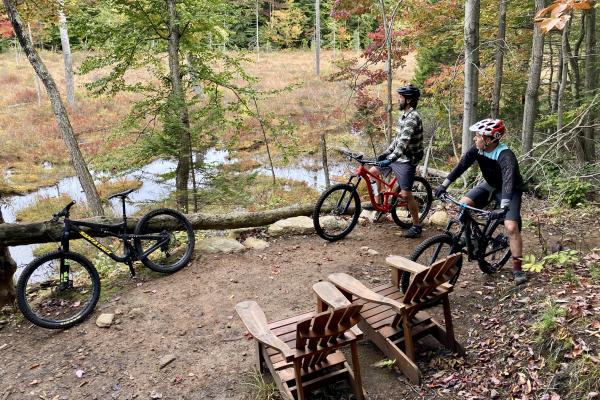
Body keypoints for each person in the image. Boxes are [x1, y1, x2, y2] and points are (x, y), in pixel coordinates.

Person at [434, 118, 528, 285]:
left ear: (489, 139)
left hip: (510, 190)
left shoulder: (506, 156)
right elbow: (461, 166)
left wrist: (503, 207)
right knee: (463, 204)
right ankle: (475, 239)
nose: (475, 138)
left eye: (478, 136)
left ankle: (517, 268)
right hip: (490, 185)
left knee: (511, 227)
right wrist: (444, 185)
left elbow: (508, 181)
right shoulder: (477, 149)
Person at [367, 83, 425, 238]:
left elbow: (403, 144)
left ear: (408, 100)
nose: (398, 100)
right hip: (397, 156)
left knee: (406, 194)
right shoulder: (404, 115)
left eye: (400, 97)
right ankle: (379, 203)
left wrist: (389, 159)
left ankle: (417, 226)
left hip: (407, 159)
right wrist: (385, 154)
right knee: (372, 172)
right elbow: (396, 140)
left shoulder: (413, 118)